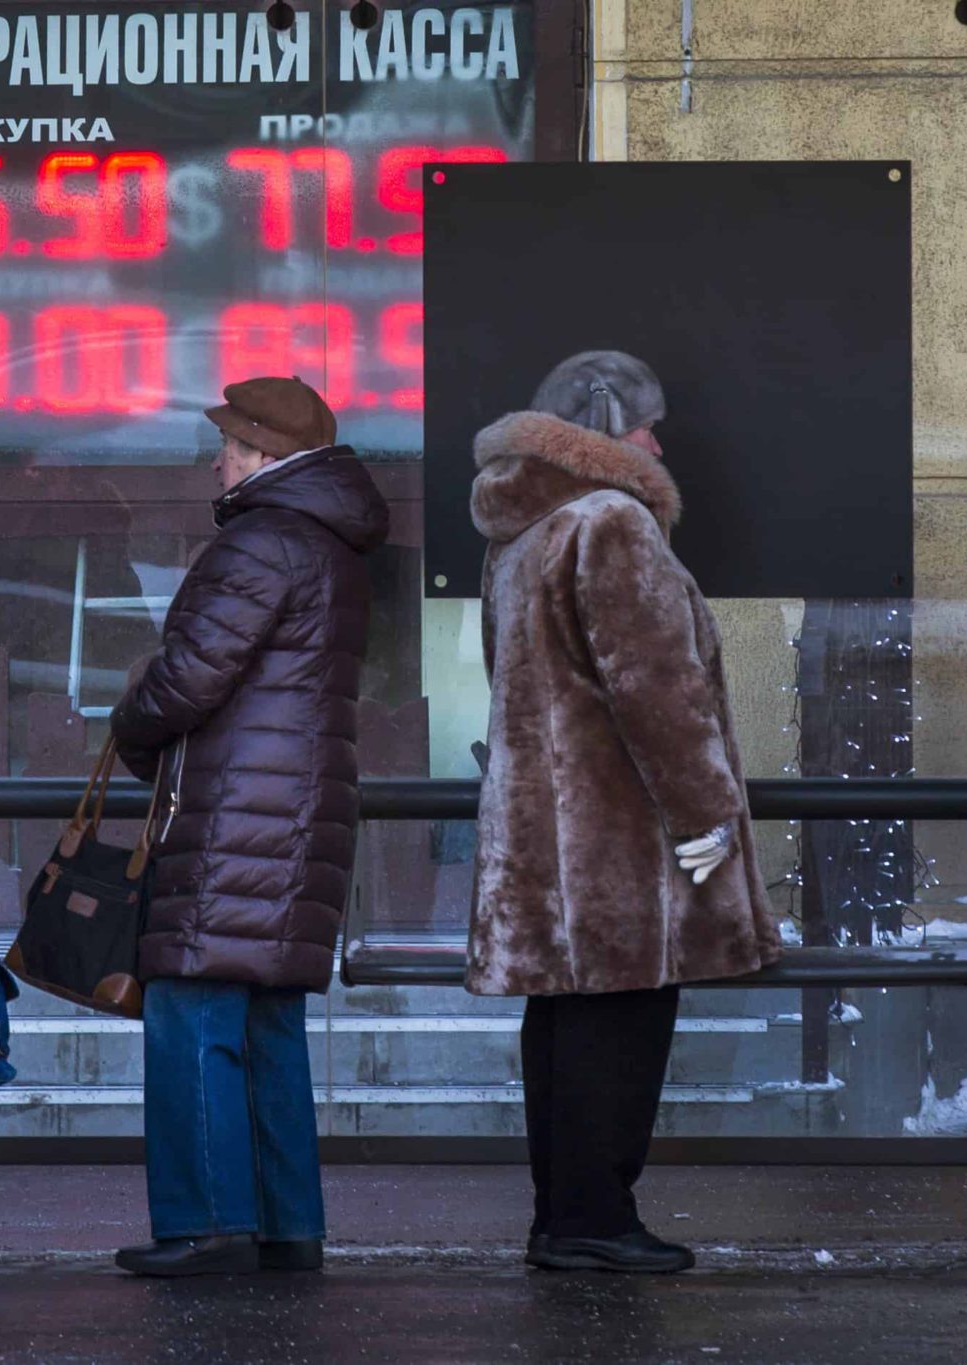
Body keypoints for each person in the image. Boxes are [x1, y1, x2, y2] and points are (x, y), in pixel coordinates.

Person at [468, 351, 783, 1275]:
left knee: (563, 1018)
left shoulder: (520, 534)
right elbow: (656, 691)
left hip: (542, 830)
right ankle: (596, 1216)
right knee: (624, 1019)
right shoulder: (611, 521)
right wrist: (706, 816)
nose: (657, 444)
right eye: (647, 425)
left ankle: (564, 1215)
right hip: (617, 833)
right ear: (604, 426)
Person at [107, 377, 390, 1277]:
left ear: (268, 456)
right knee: (268, 1023)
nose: (219, 462)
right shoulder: (331, 545)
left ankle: (206, 1222)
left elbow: (189, 676)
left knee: (190, 1010)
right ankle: (286, 1224)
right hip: (298, 816)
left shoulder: (262, 541)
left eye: (231, 447)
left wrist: (129, 727)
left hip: (237, 814)